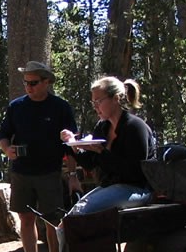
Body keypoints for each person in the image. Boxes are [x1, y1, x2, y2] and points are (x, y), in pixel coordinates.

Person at [0, 60, 78, 252]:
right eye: (26, 83)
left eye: (33, 83)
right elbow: (3, 136)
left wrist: (72, 175)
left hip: (50, 172)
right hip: (22, 172)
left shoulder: (60, 107)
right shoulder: (16, 107)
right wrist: (8, 150)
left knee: (52, 219)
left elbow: (71, 145)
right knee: (25, 218)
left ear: (46, 82)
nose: (28, 87)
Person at [60, 76, 156, 215]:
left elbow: (135, 172)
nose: (96, 107)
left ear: (116, 98)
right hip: (111, 187)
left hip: (138, 189)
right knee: (73, 214)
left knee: (82, 212)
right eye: (93, 102)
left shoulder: (135, 127)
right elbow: (89, 163)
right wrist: (72, 145)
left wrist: (102, 152)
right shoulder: (102, 127)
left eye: (99, 101)